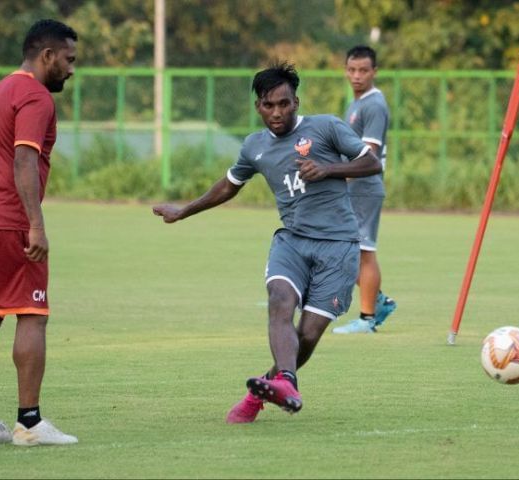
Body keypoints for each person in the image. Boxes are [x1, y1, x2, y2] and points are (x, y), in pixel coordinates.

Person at [152, 63, 381, 423]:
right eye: (268, 105)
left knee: (305, 337)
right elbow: (229, 185)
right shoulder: (254, 146)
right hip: (292, 242)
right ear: (258, 106)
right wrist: (183, 211)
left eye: (284, 103)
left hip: (338, 248)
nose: (277, 112)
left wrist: (327, 169)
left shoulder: (325, 127)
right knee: (279, 300)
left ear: (296, 102)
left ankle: (258, 393)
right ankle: (287, 381)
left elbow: (371, 163)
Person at [0, 19, 79, 447]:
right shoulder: (34, 95)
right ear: (47, 56)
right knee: (33, 313)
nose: (71, 69)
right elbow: (23, 159)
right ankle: (29, 422)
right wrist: (36, 223)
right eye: (68, 59)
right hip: (9, 220)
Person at [332, 45, 397, 335]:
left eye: (363, 70)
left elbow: (368, 155)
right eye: (352, 70)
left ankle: (368, 317)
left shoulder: (374, 105)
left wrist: (333, 174)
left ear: (374, 72)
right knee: (346, 251)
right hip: (353, 187)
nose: (356, 76)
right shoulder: (356, 103)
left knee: (364, 252)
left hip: (364, 187)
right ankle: (380, 301)